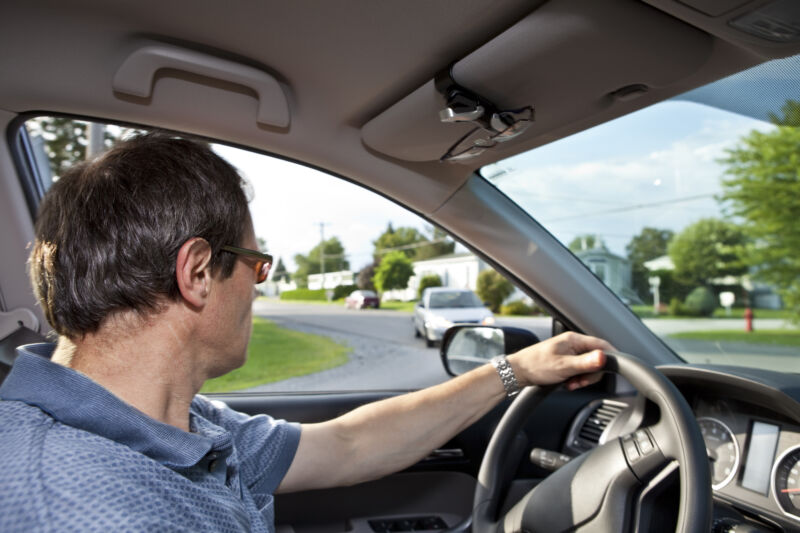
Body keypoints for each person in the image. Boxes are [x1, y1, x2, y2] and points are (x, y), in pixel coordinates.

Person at [0, 133, 610, 532]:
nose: (260, 287)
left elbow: (345, 445)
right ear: (198, 273)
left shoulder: (177, 422)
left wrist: (516, 371)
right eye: (258, 265)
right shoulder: (75, 505)